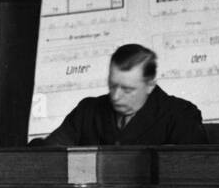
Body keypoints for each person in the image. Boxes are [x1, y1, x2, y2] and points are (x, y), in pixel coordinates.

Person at [31, 44, 208, 146]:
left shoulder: (180, 115)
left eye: (127, 89)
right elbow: (50, 154)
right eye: (112, 85)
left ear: (150, 84)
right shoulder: (88, 111)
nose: (115, 96)